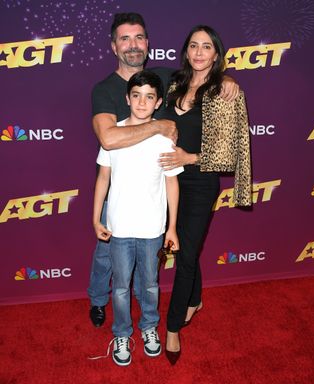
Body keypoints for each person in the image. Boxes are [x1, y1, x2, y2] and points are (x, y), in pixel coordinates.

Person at [88, 12, 240, 327]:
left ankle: (155, 317)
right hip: (118, 187)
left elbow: (200, 74)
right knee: (107, 256)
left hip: (155, 185)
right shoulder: (103, 89)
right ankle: (98, 300)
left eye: (139, 37)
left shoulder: (165, 76)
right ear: (113, 46)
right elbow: (108, 137)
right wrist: (158, 125)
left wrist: (226, 79)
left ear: (147, 43)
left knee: (151, 258)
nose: (133, 45)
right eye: (125, 39)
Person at [158, 25, 252, 364]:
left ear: (216, 54)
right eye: (193, 46)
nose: (199, 52)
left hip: (200, 182)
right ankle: (195, 299)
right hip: (166, 180)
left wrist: (189, 157)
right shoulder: (173, 84)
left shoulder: (224, 92)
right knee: (185, 244)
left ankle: (171, 328)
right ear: (186, 52)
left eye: (206, 46)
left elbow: (227, 154)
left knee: (184, 255)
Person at [94, 70, 183, 366]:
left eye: (149, 97)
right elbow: (103, 178)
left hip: (152, 230)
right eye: (136, 96)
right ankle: (121, 332)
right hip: (119, 228)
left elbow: (172, 182)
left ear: (158, 103)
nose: (142, 102)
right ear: (127, 99)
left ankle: (148, 328)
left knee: (149, 284)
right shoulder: (115, 136)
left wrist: (171, 227)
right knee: (120, 286)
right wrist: (96, 219)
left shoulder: (164, 138)